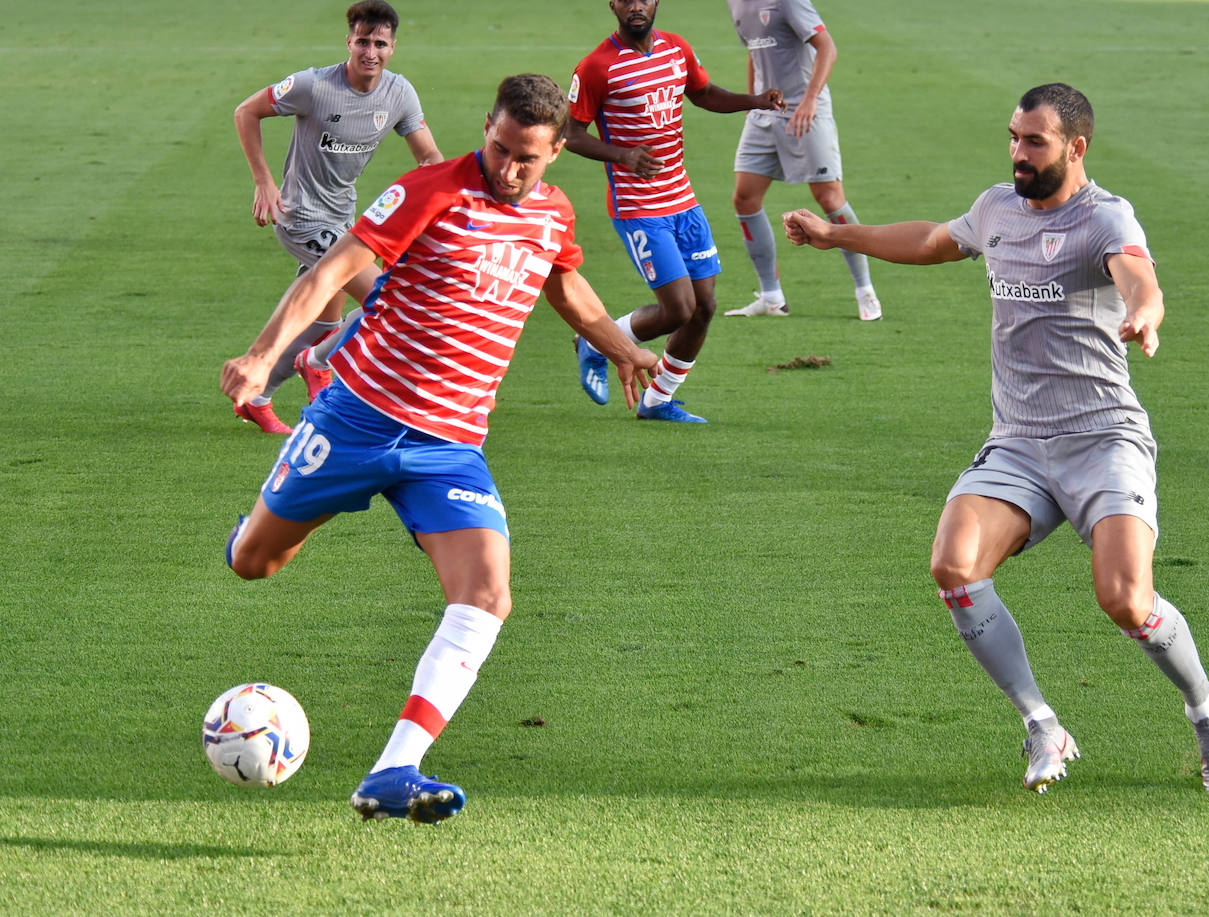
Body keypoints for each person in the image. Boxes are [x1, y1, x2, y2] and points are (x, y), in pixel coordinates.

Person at [220, 74, 660, 823]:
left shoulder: (553, 213)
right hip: (356, 419)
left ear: (557, 150)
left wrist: (625, 347)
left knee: (488, 594)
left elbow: (565, 284)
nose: (508, 168)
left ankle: (393, 770)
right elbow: (331, 271)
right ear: (486, 125)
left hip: (450, 444)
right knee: (254, 562)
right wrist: (263, 357)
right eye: (499, 148)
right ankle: (260, 517)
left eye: (526, 158)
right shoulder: (430, 190)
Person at [782, 83, 1209, 794]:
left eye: (1034, 141)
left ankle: (1208, 711)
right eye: (1013, 137)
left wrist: (1146, 313)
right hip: (1019, 441)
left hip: (1102, 438)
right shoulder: (998, 207)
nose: (1017, 152)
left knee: (1126, 599)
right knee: (954, 565)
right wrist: (836, 233)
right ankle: (1040, 722)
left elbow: (1139, 276)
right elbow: (934, 241)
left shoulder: (1104, 216)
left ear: (1075, 147)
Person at [566, 0, 785, 423]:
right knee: (678, 309)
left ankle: (657, 400)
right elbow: (571, 134)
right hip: (638, 207)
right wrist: (623, 155)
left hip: (683, 200)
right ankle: (594, 341)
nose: (636, 6)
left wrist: (754, 100)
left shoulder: (676, 48)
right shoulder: (596, 67)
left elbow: (703, 93)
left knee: (705, 306)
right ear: (613, 4)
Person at [231, 0, 443, 433]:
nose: (370, 52)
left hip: (346, 219)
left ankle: (258, 396)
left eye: (380, 44)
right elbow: (246, 111)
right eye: (362, 42)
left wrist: (440, 209)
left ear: (392, 48)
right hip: (301, 218)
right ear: (348, 42)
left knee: (324, 322)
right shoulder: (313, 86)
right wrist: (263, 181)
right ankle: (321, 365)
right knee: (385, 300)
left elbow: (429, 158)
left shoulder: (398, 93)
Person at [721, 0, 881, 321]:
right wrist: (753, 101)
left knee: (829, 199)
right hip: (765, 112)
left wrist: (809, 100)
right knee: (744, 198)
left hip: (806, 111)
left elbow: (827, 48)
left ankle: (865, 291)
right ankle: (771, 298)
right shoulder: (735, 2)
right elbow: (755, 51)